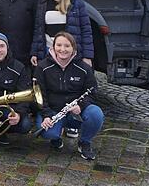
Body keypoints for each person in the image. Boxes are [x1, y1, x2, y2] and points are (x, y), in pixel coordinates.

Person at [35, 32, 103, 161]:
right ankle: (56, 136)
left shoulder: (83, 68)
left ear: (73, 48)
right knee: (48, 132)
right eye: (59, 45)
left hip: (75, 113)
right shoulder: (42, 67)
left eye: (67, 46)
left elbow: (92, 92)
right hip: (53, 112)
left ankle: (84, 142)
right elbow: (39, 95)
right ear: (53, 47)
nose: (62, 49)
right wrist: (46, 115)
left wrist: (81, 105)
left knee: (96, 114)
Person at [31, 0, 94, 67]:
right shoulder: (42, 3)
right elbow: (38, 31)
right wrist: (35, 53)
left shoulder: (76, 4)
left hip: (69, 52)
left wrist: (87, 56)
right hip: (49, 50)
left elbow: (86, 31)